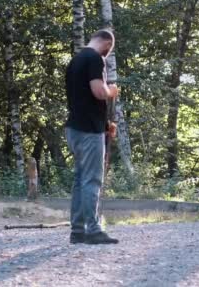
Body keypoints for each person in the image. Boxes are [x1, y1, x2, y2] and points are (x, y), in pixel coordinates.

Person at [65, 29, 119, 245]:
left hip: (74, 127)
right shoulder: (95, 58)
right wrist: (112, 91)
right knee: (92, 179)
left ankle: (77, 231)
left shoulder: (76, 60)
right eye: (108, 51)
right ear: (106, 44)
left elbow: (83, 99)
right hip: (89, 131)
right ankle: (93, 229)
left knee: (80, 179)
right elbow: (98, 92)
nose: (106, 56)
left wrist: (105, 124)